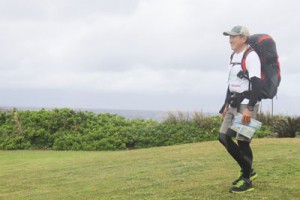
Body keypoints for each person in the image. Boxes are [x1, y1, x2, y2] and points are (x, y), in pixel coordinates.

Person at [219, 26, 261, 193]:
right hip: (233, 103)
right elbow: (231, 83)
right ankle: (248, 170)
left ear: (243, 38)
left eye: (234, 37)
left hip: (246, 104)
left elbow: (256, 85)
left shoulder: (251, 56)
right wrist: (225, 105)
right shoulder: (233, 56)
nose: (230, 39)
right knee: (223, 136)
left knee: (243, 142)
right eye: (229, 37)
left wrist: (249, 108)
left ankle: (247, 180)